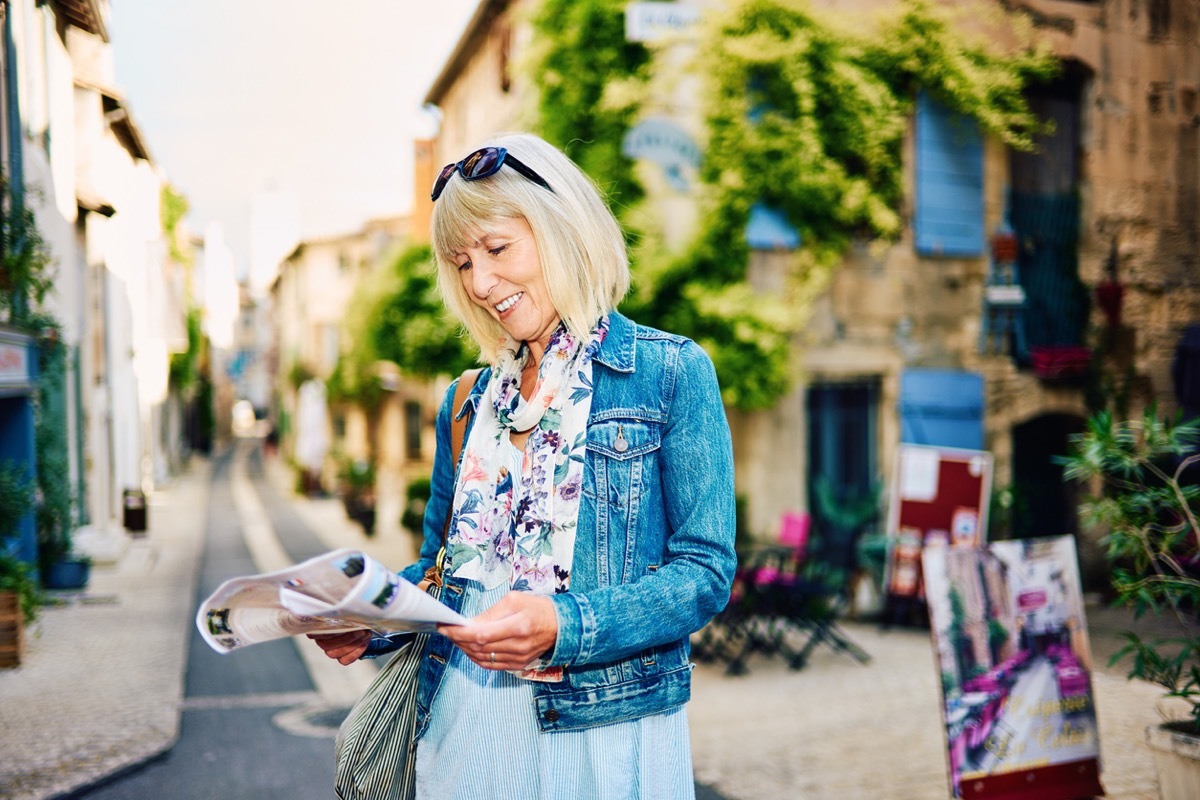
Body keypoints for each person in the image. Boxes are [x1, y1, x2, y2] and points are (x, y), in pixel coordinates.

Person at [310, 132, 736, 799]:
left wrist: (567, 625)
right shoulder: (466, 401)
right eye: (462, 265)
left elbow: (705, 573)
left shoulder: (671, 373)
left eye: (498, 250)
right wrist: (375, 620)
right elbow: (440, 570)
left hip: (604, 734)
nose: (481, 284)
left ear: (561, 226)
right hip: (460, 729)